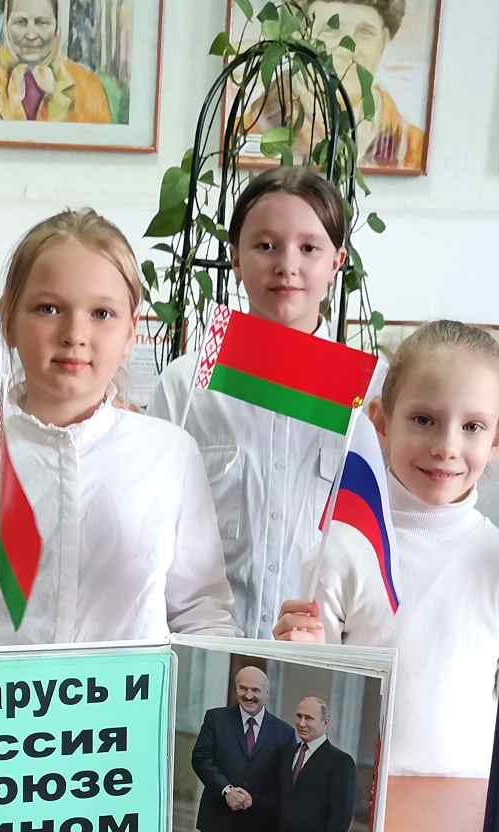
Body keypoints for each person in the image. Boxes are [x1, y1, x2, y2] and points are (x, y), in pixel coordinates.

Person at [0, 208, 236, 653]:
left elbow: (203, 616)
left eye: (102, 313)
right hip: (7, 699)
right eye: (49, 309)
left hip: (136, 699)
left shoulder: (170, 458)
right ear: (8, 319)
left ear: (131, 332)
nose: (74, 334)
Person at [275, 321, 499, 776]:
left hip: (467, 800)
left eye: (472, 426)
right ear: (381, 423)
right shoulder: (341, 549)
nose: (446, 446)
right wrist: (301, 652)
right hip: (361, 797)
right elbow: (314, 691)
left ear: (498, 439)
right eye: (424, 420)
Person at [148, 167, 356, 638]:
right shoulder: (187, 385)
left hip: (321, 654)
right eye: (265, 245)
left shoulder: (364, 399)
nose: (287, 264)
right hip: (202, 648)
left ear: (337, 262)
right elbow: (153, 528)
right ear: (236, 258)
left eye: (309, 248)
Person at [246, 2, 427, 170]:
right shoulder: (250, 129)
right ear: (298, 34)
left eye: (365, 33)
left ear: (384, 40)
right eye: (330, 30)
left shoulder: (412, 145)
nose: (347, 48)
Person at [190, 665, 295, 832]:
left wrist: (279, 827)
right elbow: (201, 759)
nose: (248, 695)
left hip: (259, 828)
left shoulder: (285, 733)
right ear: (235, 689)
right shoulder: (216, 719)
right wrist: (227, 790)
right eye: (243, 688)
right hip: (217, 822)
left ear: (267, 693)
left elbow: (284, 783)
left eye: (255, 690)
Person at [0, 0, 113, 125]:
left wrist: (54, 101)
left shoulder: (89, 87)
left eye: (41, 23)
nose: (31, 35)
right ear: (6, 25)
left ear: (56, 27)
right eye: (21, 22)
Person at [273, 696, 355, 832]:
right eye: (299, 716)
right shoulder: (288, 753)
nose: (301, 723)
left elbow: (342, 813)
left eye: (308, 718)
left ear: (326, 723)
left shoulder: (341, 762)